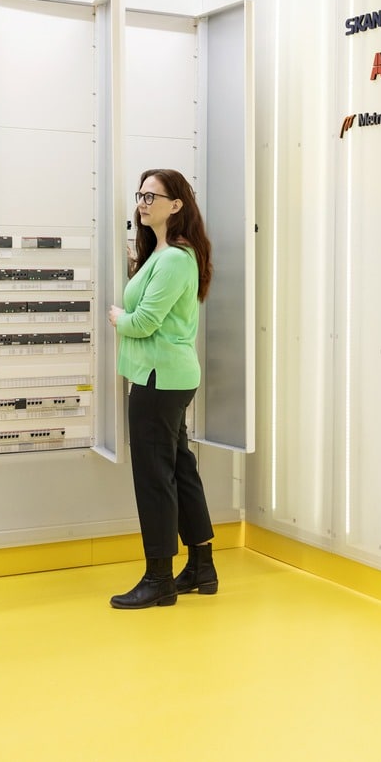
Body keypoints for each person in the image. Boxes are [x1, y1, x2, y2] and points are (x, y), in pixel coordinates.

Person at [107, 169, 218, 609]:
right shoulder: (167, 253)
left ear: (177, 205)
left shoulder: (173, 259)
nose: (143, 202)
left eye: (153, 196)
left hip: (158, 380)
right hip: (169, 378)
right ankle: (201, 567)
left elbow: (144, 323)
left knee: (154, 477)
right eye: (141, 194)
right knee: (179, 470)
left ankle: (159, 579)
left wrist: (118, 318)